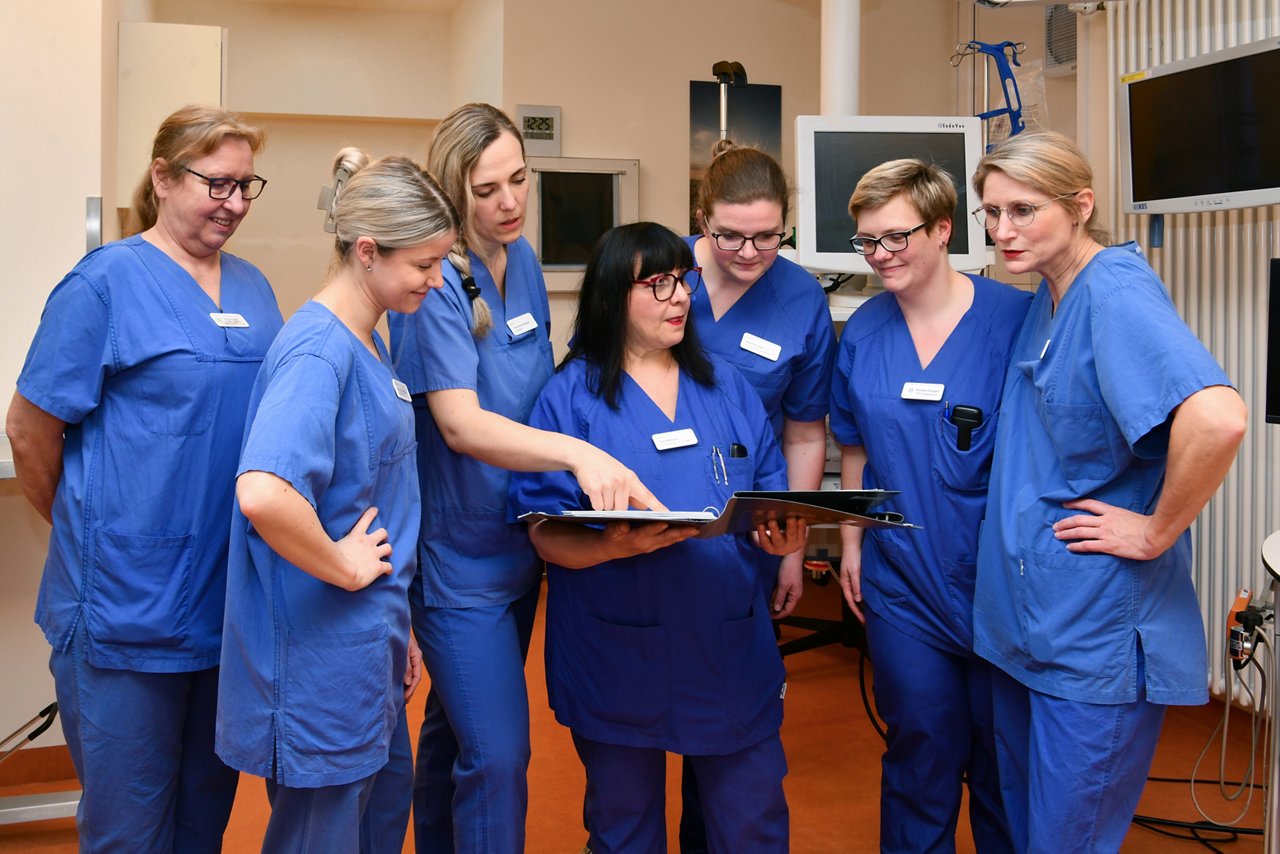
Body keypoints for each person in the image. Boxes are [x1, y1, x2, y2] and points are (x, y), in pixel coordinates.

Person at [5, 105, 281, 852]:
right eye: (215, 183)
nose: (232, 202)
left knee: (202, 819)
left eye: (245, 185)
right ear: (162, 177)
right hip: (124, 614)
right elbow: (31, 431)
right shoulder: (102, 286)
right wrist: (92, 530)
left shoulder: (255, 292)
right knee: (129, 830)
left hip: (221, 607)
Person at [387, 103, 658, 853]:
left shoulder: (526, 262)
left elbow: (544, 387)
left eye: (519, 179)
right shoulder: (435, 283)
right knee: (500, 754)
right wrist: (577, 456)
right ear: (452, 190)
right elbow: (460, 424)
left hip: (521, 546)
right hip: (458, 560)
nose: (509, 203)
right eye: (485, 189)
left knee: (454, 731)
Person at [969, 130, 1247, 852]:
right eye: (991, 213)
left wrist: (1154, 531)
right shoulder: (1048, 295)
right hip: (1029, 623)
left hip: (1092, 631)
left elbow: (1218, 419)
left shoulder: (1114, 293)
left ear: (1081, 205)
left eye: (1024, 210)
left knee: (1067, 839)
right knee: (1024, 828)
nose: (1003, 231)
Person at [509, 221, 808, 853]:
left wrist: (781, 541)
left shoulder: (726, 388)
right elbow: (542, 533)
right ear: (614, 295)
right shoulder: (571, 401)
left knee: (749, 824)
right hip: (617, 648)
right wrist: (613, 546)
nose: (681, 297)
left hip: (727, 641)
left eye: (685, 280)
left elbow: (767, 502)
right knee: (625, 831)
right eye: (660, 283)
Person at [216, 149, 458, 851]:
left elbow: (369, 492)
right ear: (366, 251)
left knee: (374, 827)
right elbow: (264, 492)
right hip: (320, 664)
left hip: (363, 651)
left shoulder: (366, 340)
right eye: (423, 265)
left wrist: (396, 623)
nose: (435, 280)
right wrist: (347, 567)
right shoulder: (319, 352)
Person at [830, 159, 1030, 853]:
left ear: (943, 229)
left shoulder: (1017, 320)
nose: (879, 257)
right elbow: (854, 445)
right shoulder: (863, 330)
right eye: (867, 242)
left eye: (895, 238)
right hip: (902, 582)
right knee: (919, 750)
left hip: (999, 584)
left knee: (1004, 766)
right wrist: (852, 542)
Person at [681, 139, 836, 853]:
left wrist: (791, 544)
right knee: (649, 711)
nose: (748, 252)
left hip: (748, 532)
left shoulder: (800, 297)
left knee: (732, 722)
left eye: (768, 237)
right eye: (730, 235)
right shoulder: (661, 273)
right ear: (701, 217)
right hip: (656, 520)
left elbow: (805, 435)